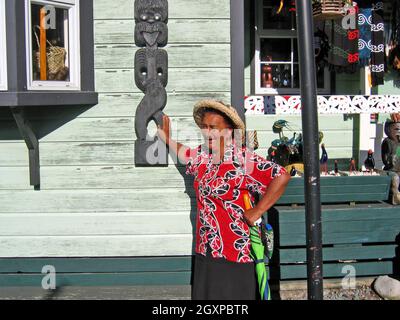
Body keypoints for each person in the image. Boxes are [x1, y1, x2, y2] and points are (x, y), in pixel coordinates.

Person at [157, 100, 291, 300]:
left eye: (214, 127)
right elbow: (186, 154)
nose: (207, 132)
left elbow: (281, 176)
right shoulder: (203, 156)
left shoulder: (242, 159)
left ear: (229, 130)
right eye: (204, 127)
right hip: (206, 250)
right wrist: (167, 139)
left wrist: (258, 210)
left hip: (234, 253)